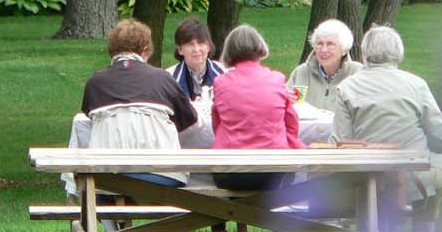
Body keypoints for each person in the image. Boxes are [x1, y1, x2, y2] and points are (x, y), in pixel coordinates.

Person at [331, 24, 442, 232]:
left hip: (367, 179)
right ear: (398, 52)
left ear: (364, 54)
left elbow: (341, 139)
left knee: (436, 163)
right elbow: (437, 132)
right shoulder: (415, 84)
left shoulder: (346, 87)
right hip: (412, 176)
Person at [81, 19, 197, 188]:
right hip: (163, 174)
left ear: (112, 50)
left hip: (107, 174)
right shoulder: (163, 79)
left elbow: (89, 118)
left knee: (100, 188)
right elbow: (188, 118)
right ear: (145, 50)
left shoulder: (95, 82)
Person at [211, 24, 304, 190]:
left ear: (229, 51)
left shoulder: (221, 83)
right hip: (274, 172)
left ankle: (243, 215)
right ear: (260, 49)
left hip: (233, 172)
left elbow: (217, 124)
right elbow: (292, 124)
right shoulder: (277, 79)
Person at [287, 19, 364, 111]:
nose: (324, 50)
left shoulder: (357, 73)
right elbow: (286, 107)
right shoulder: (301, 72)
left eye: (330, 44)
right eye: (320, 44)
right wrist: (287, 101)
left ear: (344, 50)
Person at [166, 17, 226, 100]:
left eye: (201, 43)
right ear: (180, 49)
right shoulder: (169, 78)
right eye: (190, 44)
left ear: (209, 46)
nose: (196, 49)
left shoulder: (225, 74)